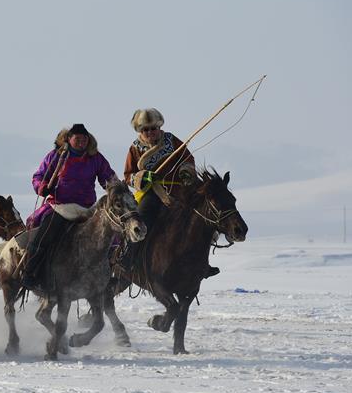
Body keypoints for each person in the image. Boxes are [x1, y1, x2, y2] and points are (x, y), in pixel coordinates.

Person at [22, 123, 118, 290]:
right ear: (69, 139)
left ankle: (107, 275)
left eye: (84, 139)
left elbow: (108, 178)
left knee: (109, 236)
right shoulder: (56, 156)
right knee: (44, 236)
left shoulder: (95, 158)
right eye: (78, 139)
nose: (82, 142)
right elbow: (39, 176)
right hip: (61, 206)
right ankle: (30, 273)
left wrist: (117, 190)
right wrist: (42, 187)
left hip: (87, 208)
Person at [123, 108, 218, 278]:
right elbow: (128, 175)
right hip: (151, 193)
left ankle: (202, 264)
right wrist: (142, 177)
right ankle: (130, 260)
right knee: (139, 224)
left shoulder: (172, 142)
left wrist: (186, 171)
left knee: (198, 222)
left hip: (178, 191)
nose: (150, 132)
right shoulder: (135, 148)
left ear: (159, 127)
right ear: (140, 131)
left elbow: (188, 159)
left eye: (153, 128)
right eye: (145, 129)